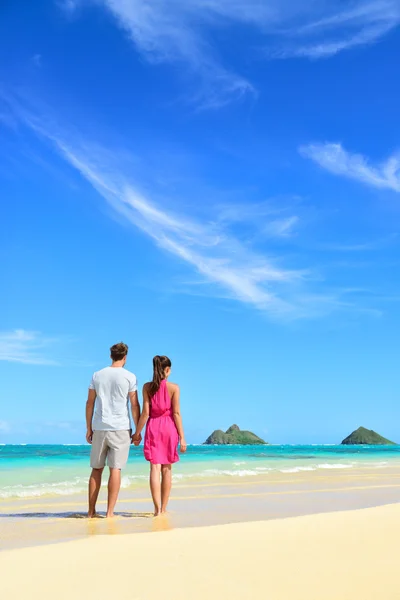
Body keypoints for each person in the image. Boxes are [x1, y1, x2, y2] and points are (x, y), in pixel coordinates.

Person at [86, 342, 141, 518]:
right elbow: (134, 405)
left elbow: (90, 402)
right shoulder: (130, 377)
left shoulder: (97, 375)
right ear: (125, 357)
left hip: (100, 426)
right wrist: (137, 431)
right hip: (121, 427)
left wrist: (88, 428)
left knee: (96, 469)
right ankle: (110, 513)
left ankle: (91, 511)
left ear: (111, 356)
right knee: (115, 469)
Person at [132, 355, 186, 516]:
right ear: (167, 370)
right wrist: (182, 437)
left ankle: (156, 510)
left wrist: (137, 433)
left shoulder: (147, 387)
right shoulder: (174, 388)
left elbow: (145, 413)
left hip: (154, 427)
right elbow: (176, 413)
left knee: (154, 468)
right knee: (167, 469)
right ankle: (164, 508)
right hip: (169, 428)